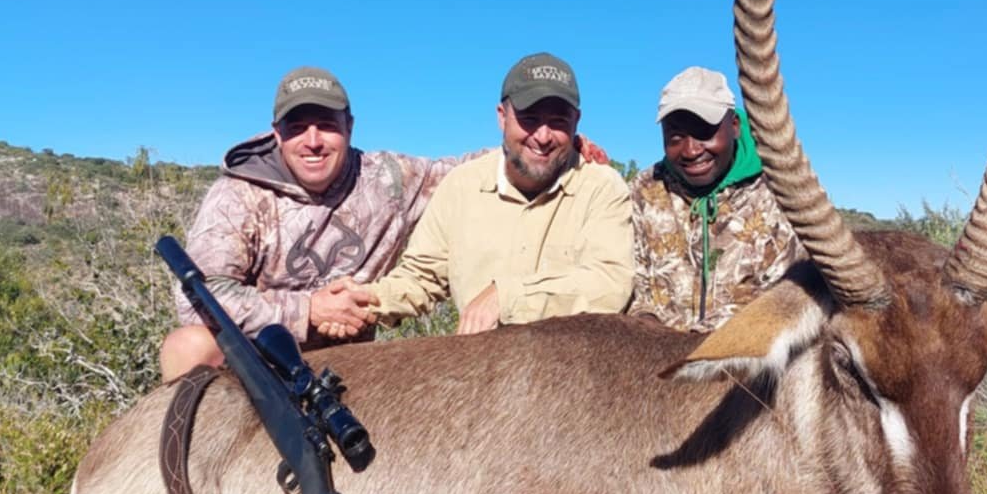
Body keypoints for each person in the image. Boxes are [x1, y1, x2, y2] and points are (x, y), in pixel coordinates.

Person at [158, 66, 465, 380]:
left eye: (327, 125)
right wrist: (309, 311)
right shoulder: (238, 194)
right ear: (277, 133)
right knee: (189, 346)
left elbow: (469, 173)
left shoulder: (390, 179)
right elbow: (198, 298)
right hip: (255, 365)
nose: (313, 141)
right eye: (298, 127)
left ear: (350, 127)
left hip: (354, 363)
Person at [346, 52, 632, 336]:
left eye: (558, 121)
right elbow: (421, 278)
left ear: (576, 121)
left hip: (571, 365)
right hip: (483, 365)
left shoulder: (602, 187)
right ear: (501, 117)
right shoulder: (461, 185)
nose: (543, 137)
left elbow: (609, 282)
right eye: (529, 118)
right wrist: (361, 302)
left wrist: (506, 298)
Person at [628, 66, 802, 332]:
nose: (691, 150)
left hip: (747, 359)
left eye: (704, 132)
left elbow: (783, 294)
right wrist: (649, 329)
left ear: (734, 126)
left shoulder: (779, 190)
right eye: (675, 136)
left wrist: (702, 343)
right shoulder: (644, 190)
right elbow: (634, 285)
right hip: (656, 358)